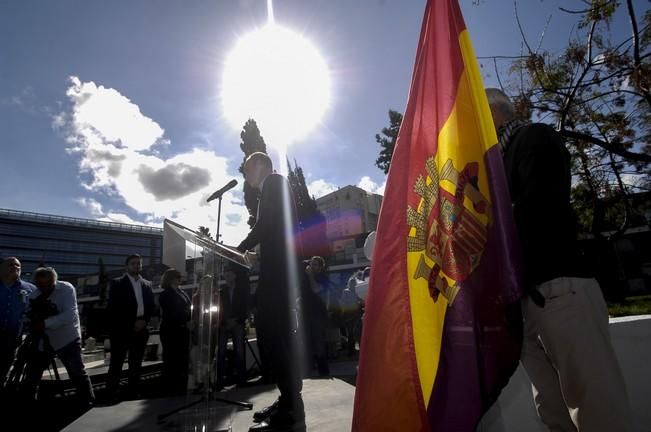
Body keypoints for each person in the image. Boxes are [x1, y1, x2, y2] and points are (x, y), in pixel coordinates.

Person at [486, 88, 632, 431]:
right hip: (526, 300)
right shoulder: (494, 166)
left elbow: (539, 204)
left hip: (560, 288)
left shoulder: (534, 137)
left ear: (492, 113)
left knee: (595, 404)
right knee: (552, 410)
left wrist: (487, 235)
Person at [237, 152, 305, 432]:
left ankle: (291, 406)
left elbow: (266, 225)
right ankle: (288, 399)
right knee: (275, 337)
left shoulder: (275, 181)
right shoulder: (271, 188)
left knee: (273, 337)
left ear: (261, 165)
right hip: (277, 272)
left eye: (247, 170)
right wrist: (253, 252)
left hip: (279, 275)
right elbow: (272, 228)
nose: (246, 176)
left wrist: (240, 247)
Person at [20, 267, 95, 407]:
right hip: (43, 340)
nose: (46, 288)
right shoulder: (34, 296)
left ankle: (87, 402)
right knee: (32, 374)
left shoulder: (66, 289)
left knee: (76, 371)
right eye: (41, 285)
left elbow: (70, 315)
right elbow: (28, 316)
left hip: (68, 338)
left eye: (49, 284)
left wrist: (45, 323)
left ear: (55, 280)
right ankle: (27, 402)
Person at [106, 254, 154, 399]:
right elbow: (114, 308)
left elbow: (151, 306)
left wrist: (144, 321)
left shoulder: (147, 284)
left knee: (136, 363)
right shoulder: (117, 283)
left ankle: (133, 392)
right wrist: (132, 323)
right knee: (117, 363)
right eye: (133, 264)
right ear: (127, 266)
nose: (137, 266)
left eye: (139, 264)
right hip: (122, 329)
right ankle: (112, 393)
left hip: (141, 328)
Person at [0, 257, 35, 392]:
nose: (15, 266)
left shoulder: (31, 289)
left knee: (4, 368)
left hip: (13, 337)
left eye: (18, 265)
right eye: (10, 264)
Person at [216, 263, 250, 388]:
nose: (227, 276)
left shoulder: (242, 291)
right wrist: (224, 322)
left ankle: (241, 379)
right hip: (224, 324)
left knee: (239, 351)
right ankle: (219, 381)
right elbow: (219, 309)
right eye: (225, 275)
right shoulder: (221, 292)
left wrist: (236, 320)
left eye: (229, 274)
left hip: (237, 323)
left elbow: (245, 308)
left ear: (234, 276)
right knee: (221, 352)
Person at [158, 268, 191, 395]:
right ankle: (170, 389)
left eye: (180, 276)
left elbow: (188, 308)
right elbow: (171, 313)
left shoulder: (182, 292)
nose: (180, 278)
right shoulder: (165, 294)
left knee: (182, 359)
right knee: (171, 359)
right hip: (171, 331)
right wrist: (185, 321)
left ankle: (181, 387)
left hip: (183, 331)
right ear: (170, 278)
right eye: (178, 276)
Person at [300, 256, 329, 376]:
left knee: (318, 341)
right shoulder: (305, 278)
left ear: (321, 267)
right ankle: (310, 368)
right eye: (311, 264)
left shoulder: (323, 278)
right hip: (305, 312)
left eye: (316, 264)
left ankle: (323, 370)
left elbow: (316, 289)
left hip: (317, 313)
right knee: (307, 341)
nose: (312, 266)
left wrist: (310, 276)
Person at [339, 276, 362, 357]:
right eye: (351, 282)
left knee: (358, 333)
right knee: (350, 334)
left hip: (357, 314)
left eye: (354, 282)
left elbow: (361, 301)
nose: (353, 284)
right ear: (349, 283)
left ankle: (360, 351)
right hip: (349, 315)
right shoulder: (346, 291)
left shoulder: (358, 291)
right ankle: (351, 351)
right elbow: (343, 303)